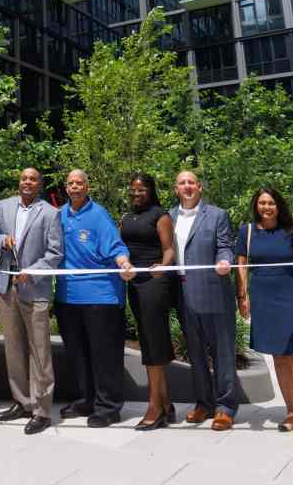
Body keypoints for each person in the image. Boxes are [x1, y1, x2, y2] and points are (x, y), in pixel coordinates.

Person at [235, 187, 293, 446]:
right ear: (256, 206)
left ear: (278, 206)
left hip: (290, 295)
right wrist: (242, 295)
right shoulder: (247, 232)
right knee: (280, 358)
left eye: (271, 203)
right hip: (262, 297)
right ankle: (291, 413)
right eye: (262, 203)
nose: (266, 207)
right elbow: (241, 265)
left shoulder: (292, 231)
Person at [55, 169, 136, 428]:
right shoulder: (60, 215)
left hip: (101, 297)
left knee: (104, 355)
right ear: (65, 188)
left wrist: (124, 264)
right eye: (71, 184)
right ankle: (86, 400)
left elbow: (117, 247)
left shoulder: (99, 215)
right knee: (78, 355)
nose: (75, 187)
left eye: (80, 183)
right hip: (68, 297)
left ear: (87, 187)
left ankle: (109, 407)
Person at [0, 167, 63, 435]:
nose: (27, 182)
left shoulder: (50, 213)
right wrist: (2, 241)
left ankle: (42, 410)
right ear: (18, 182)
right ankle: (21, 401)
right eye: (23, 178)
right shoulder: (4, 206)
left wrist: (32, 272)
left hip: (35, 290)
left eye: (33, 179)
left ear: (39, 184)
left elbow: (55, 253)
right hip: (7, 290)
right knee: (14, 350)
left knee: (40, 353)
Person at [170, 170, 238, 430]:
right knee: (195, 353)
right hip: (182, 292)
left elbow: (225, 246)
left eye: (191, 182)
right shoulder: (169, 216)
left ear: (199, 187)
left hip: (213, 291)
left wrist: (225, 261)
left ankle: (225, 407)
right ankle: (204, 404)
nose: (187, 187)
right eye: (182, 183)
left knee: (222, 351)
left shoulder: (217, 215)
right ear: (176, 189)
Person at [120, 173, 177, 431]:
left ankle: (155, 406)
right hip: (135, 283)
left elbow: (169, 250)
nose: (136, 193)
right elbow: (121, 249)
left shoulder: (160, 215)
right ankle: (166, 403)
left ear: (151, 191)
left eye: (141, 189)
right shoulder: (126, 217)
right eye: (133, 189)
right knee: (147, 340)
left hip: (155, 282)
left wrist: (162, 268)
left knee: (154, 342)